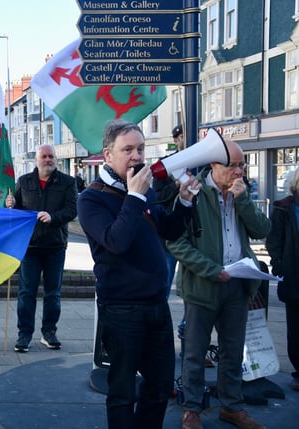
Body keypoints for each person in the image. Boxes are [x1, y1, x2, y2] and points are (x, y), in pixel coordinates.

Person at [77, 119, 199, 429]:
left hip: (156, 306)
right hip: (122, 308)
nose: (136, 156)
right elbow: (116, 241)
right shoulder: (92, 198)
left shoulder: (142, 190)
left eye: (141, 148)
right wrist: (133, 197)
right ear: (108, 155)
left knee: (159, 389)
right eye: (127, 149)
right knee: (122, 391)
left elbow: (169, 229)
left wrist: (184, 201)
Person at [167, 140, 270, 429]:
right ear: (214, 164)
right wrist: (211, 270)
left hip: (237, 285)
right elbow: (176, 242)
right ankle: (191, 409)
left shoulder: (241, 194)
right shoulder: (193, 193)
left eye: (242, 164)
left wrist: (244, 201)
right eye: (232, 165)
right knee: (195, 352)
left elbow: (262, 230)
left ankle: (232, 407)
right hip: (202, 286)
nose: (239, 172)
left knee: (233, 350)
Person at [4, 144, 77, 352]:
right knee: (26, 292)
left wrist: (53, 217)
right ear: (37, 160)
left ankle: (49, 332)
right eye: (44, 156)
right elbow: (16, 209)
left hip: (55, 246)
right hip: (30, 247)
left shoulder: (68, 182)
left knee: (53, 293)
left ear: (56, 159)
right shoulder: (24, 181)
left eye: (51, 156)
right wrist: (8, 203)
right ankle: (24, 335)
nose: (48, 160)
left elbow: (72, 210)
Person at [265, 169, 299, 392]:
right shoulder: (283, 207)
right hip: (294, 275)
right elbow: (273, 239)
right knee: (296, 327)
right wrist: (278, 263)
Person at [152, 125, 186, 297]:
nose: (186, 139)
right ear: (175, 140)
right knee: (165, 277)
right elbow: (158, 197)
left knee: (194, 283)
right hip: (170, 230)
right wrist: (176, 185)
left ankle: (188, 320)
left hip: (194, 229)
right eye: (182, 136)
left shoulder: (202, 164)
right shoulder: (165, 166)